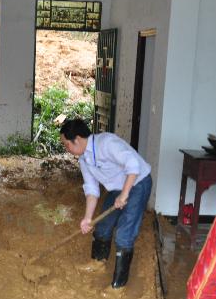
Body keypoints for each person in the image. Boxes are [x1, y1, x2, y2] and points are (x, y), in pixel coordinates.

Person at [59, 118, 152, 288]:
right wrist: (87, 218)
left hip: (138, 182)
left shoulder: (107, 143)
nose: (67, 149)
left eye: (66, 144)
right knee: (102, 227)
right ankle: (97, 262)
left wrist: (124, 195)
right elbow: (92, 189)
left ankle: (118, 285)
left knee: (124, 233)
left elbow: (133, 165)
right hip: (118, 188)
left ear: (77, 139)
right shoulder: (83, 159)